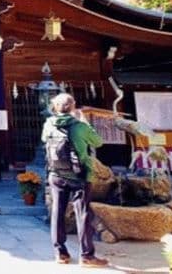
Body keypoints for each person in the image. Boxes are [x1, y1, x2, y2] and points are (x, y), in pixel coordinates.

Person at [41, 93, 109, 268]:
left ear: (55, 107)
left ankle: (60, 253)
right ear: (73, 106)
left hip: (56, 174)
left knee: (57, 212)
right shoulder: (79, 126)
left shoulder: (48, 124)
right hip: (80, 175)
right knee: (83, 214)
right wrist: (83, 120)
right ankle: (87, 256)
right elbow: (98, 142)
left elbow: (44, 140)